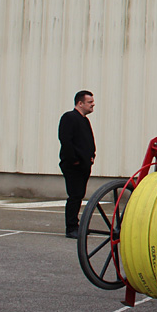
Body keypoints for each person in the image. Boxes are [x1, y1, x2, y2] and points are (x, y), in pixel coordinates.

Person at [58, 91, 96, 239]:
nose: (93, 104)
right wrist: (74, 160)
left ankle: (76, 225)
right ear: (80, 103)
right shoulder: (69, 117)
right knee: (74, 196)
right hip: (74, 165)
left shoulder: (84, 120)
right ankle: (71, 228)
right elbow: (65, 140)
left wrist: (92, 156)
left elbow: (87, 141)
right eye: (89, 102)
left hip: (84, 165)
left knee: (79, 195)